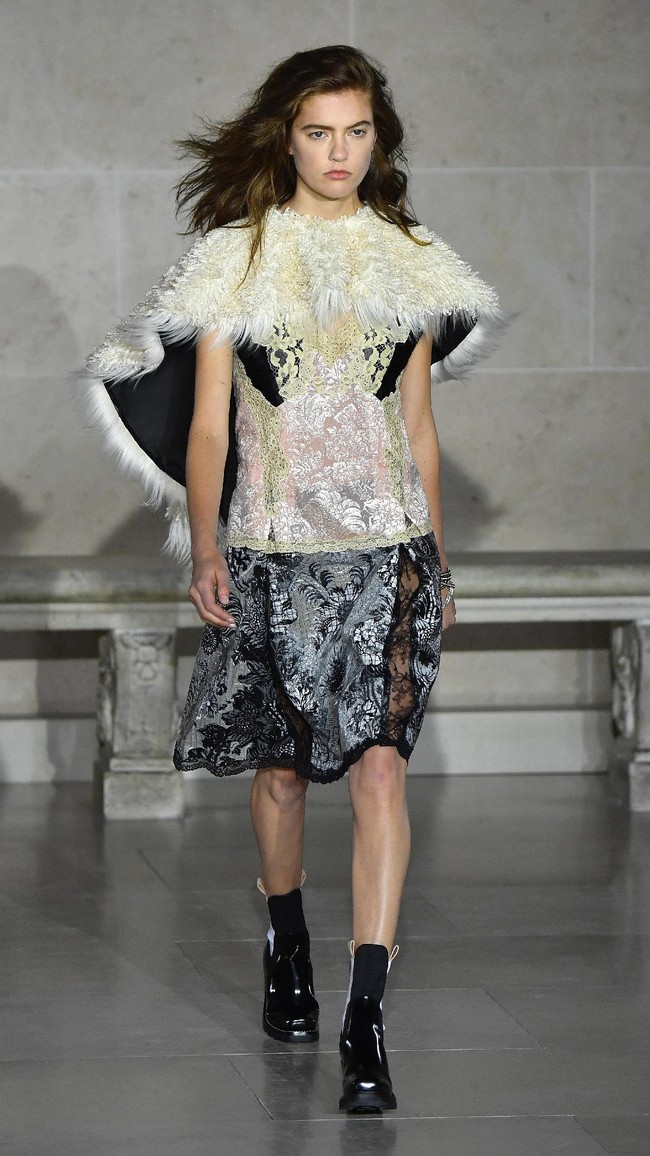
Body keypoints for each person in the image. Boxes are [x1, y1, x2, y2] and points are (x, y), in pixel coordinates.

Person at [83, 44, 508, 1113]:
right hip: (274, 553)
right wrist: (208, 543)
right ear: (287, 136)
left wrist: (438, 561)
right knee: (279, 777)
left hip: (387, 554)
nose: (338, 152)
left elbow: (415, 424)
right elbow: (212, 429)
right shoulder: (237, 261)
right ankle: (284, 937)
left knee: (377, 772)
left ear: (379, 139)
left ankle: (364, 1014)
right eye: (319, 131)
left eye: (356, 131)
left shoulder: (407, 261)